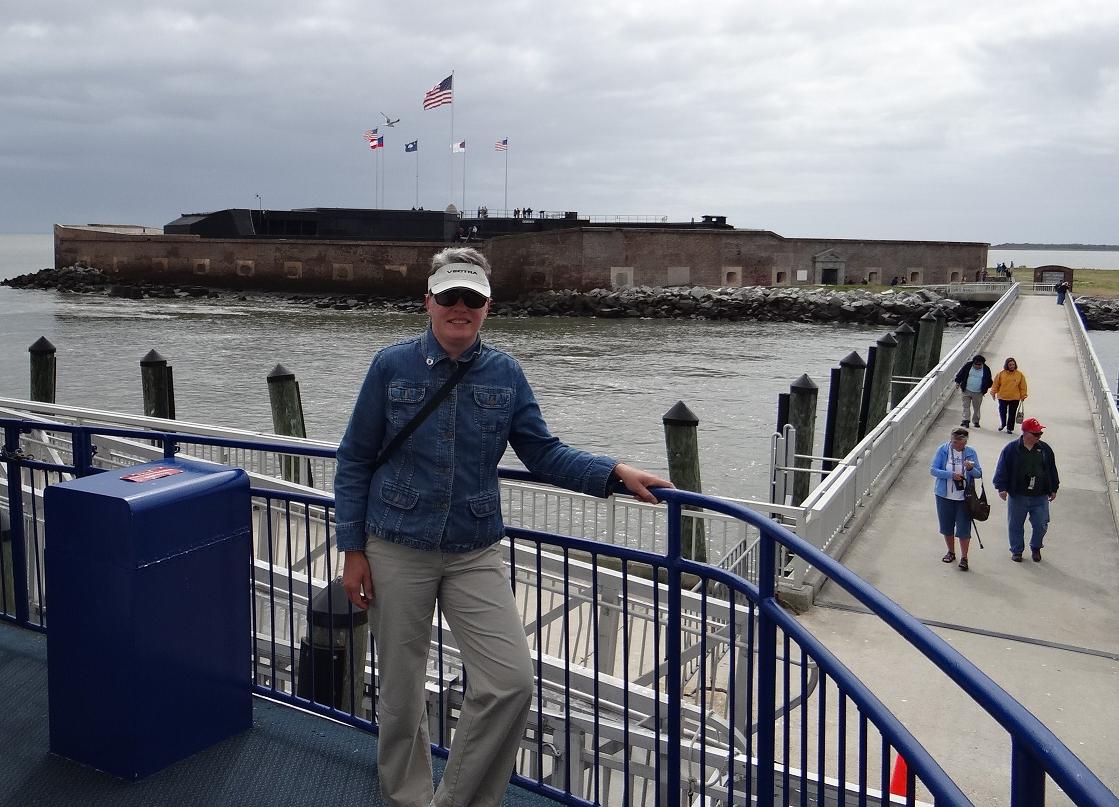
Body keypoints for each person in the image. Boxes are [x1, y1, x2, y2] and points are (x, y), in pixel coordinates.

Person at [334, 246, 673, 807]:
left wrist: (612, 472)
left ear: (488, 307)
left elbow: (543, 452)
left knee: (510, 683)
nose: (460, 307)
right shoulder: (389, 366)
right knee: (401, 689)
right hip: (395, 544)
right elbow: (354, 459)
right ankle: (406, 797)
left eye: (472, 298)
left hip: (474, 550)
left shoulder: (505, 373)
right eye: (449, 296)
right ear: (428, 302)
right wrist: (352, 549)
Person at [992, 417, 1059, 562]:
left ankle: (1036, 547)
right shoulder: (1011, 449)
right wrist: (1001, 487)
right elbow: (1002, 468)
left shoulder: (1045, 449)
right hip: (1018, 495)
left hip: (1040, 495)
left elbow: (1052, 470)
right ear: (1026, 433)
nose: (1039, 436)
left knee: (1041, 524)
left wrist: (1054, 488)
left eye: (1040, 433)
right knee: (1015, 524)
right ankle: (1017, 550)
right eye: (1036, 434)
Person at [929, 426, 983, 571]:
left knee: (964, 528)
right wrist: (951, 475)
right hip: (944, 495)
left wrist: (970, 469)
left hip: (964, 498)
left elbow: (979, 474)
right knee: (946, 525)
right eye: (953, 442)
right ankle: (951, 552)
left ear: (965, 442)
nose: (955, 445)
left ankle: (964, 557)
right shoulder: (943, 450)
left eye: (959, 443)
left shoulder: (971, 452)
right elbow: (933, 470)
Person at [990, 357, 1028, 434]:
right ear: (1007, 365)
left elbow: (1023, 386)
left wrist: (1023, 395)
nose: (1012, 366)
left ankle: (1010, 428)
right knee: (1002, 412)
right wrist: (993, 392)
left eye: (1013, 364)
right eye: (1010, 365)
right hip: (1002, 397)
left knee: (1012, 414)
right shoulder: (1001, 374)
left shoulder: (1019, 375)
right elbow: (996, 384)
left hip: (1014, 398)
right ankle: (1003, 424)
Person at [954, 354, 992, 428]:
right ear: (973, 363)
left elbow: (989, 381)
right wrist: (958, 382)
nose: (977, 366)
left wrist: (985, 388)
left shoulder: (986, 369)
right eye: (976, 364)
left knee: (976, 408)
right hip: (966, 390)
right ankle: (966, 420)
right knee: (966, 406)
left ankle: (976, 421)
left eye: (979, 364)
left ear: (982, 364)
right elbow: (961, 374)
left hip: (978, 392)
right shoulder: (968, 366)